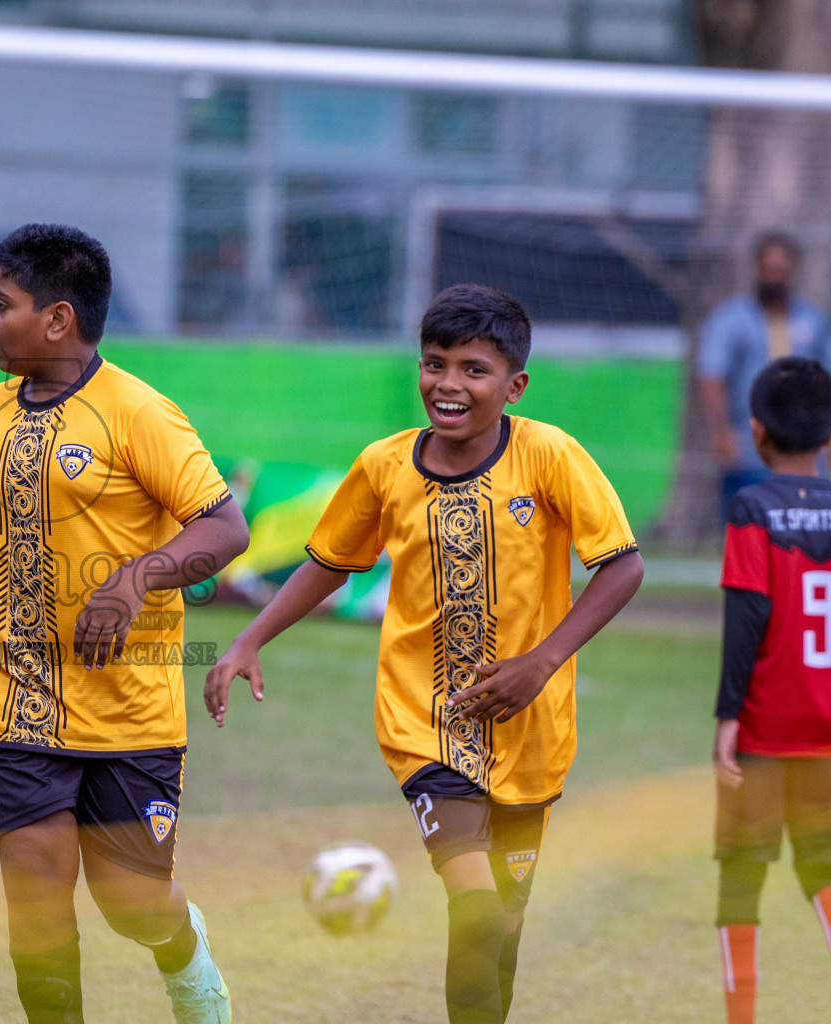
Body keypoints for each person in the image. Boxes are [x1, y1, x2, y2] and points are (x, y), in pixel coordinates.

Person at [0, 222, 248, 1024]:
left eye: (1, 304)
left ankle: (182, 948)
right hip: (19, 705)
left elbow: (224, 528)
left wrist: (138, 576)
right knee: (37, 908)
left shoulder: (139, 413)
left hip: (131, 715)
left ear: (57, 320)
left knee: (131, 903)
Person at [205, 283, 645, 1024]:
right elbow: (330, 560)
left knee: (499, 934)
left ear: (515, 385)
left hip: (533, 733)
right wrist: (251, 636)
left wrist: (540, 662)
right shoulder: (384, 466)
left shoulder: (552, 457)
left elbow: (623, 565)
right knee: (474, 911)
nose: (448, 384)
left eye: (474, 369)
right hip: (426, 722)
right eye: (434, 363)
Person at [712, 356, 831, 1024]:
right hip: (827, 733)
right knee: (824, 865)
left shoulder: (752, 508)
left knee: (742, 871)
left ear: (757, 432)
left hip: (762, 729)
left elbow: (748, 612)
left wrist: (729, 713)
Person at [699, 232, 828, 520]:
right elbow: (712, 375)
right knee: (748, 529)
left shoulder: (812, 321)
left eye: (781, 272)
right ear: (757, 270)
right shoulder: (731, 320)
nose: (774, 279)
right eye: (768, 271)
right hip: (750, 447)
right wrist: (720, 432)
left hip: (805, 450)